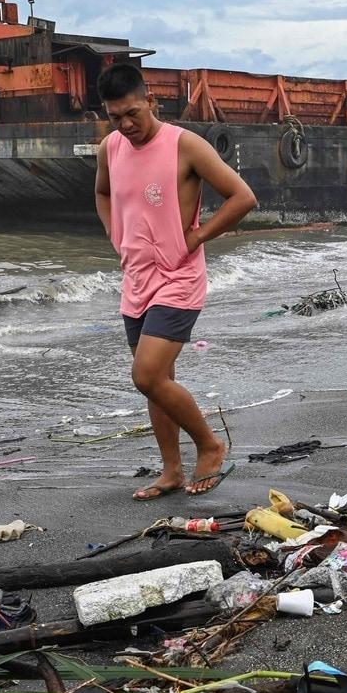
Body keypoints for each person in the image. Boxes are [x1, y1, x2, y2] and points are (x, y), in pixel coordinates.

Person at [94, 63, 258, 498]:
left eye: (133, 113)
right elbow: (103, 193)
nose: (126, 125)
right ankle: (171, 471)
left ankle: (210, 445)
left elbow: (243, 197)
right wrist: (116, 235)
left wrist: (198, 236)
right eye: (115, 117)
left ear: (151, 101)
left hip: (178, 277)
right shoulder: (110, 148)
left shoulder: (185, 146)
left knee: (146, 375)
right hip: (136, 278)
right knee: (158, 380)